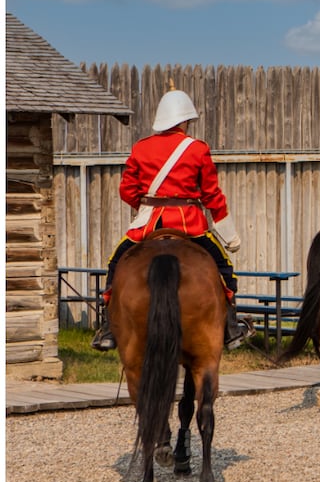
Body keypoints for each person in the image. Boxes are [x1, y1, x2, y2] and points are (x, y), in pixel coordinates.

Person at [92, 89, 251, 351]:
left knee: (116, 264)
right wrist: (229, 233)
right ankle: (231, 328)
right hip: (190, 224)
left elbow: (127, 190)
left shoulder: (141, 148)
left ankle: (109, 328)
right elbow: (212, 194)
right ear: (183, 120)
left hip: (149, 224)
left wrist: (143, 207)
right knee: (224, 270)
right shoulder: (198, 149)